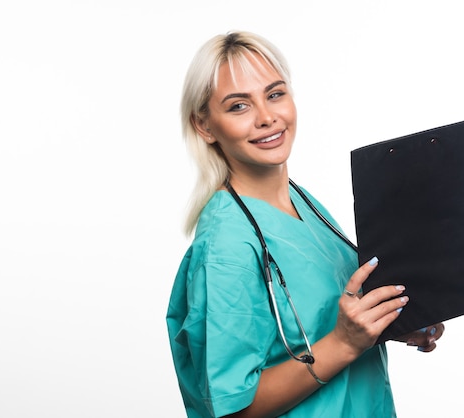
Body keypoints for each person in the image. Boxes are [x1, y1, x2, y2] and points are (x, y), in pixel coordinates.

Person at [166, 31, 444, 418]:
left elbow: (322, 319)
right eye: (238, 106)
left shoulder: (303, 202)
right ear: (205, 126)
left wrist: (392, 323)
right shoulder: (226, 246)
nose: (267, 117)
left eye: (275, 94)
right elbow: (230, 409)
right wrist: (345, 344)